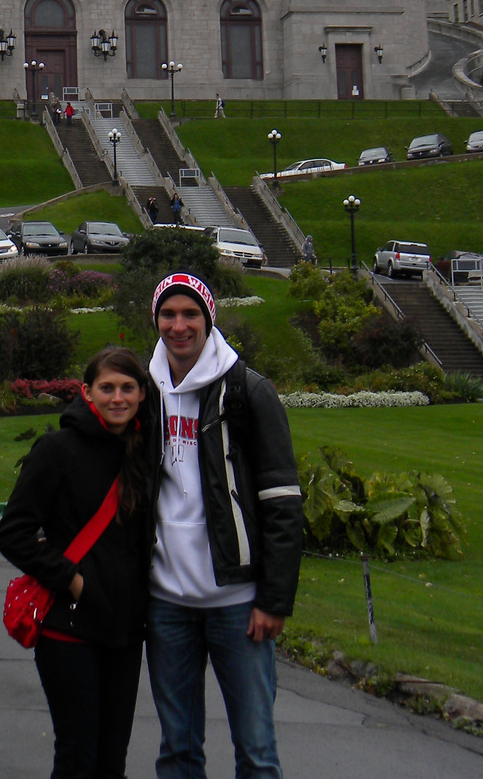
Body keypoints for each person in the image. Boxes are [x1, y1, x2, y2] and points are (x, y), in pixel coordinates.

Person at [145, 274, 303, 779]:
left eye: (190, 314)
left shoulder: (248, 390)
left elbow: (282, 502)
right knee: (177, 750)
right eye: (168, 314)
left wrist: (273, 599)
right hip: (166, 602)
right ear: (156, 320)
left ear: (209, 319)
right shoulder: (144, 389)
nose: (179, 325)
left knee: (256, 751)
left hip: (237, 605)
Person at [0, 348, 154, 779]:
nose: (117, 398)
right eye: (107, 388)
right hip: (69, 629)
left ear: (143, 394)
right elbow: (13, 533)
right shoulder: (57, 450)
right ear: (86, 392)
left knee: (111, 762)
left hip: (125, 633)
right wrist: (72, 581)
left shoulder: (143, 455)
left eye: (127, 388)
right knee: (77, 758)